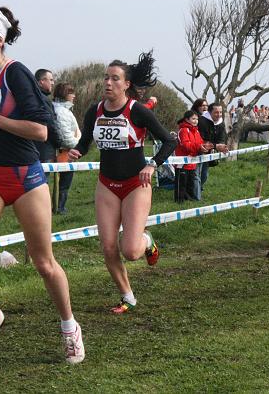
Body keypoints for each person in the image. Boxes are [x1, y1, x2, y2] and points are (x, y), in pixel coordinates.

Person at [0, 6, 84, 363]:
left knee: (44, 264)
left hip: (25, 179)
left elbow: (40, 131)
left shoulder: (18, 76)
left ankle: (69, 326)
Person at [69, 54, 176, 314]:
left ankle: (147, 240)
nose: (108, 82)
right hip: (107, 184)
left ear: (126, 84)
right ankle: (127, 296)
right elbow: (85, 143)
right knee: (107, 246)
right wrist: (77, 151)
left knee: (130, 250)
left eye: (115, 78)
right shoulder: (94, 111)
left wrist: (152, 165)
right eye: (106, 77)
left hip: (134, 185)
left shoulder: (137, 111)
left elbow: (170, 140)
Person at [52, 82, 80, 214]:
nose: (74, 96)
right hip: (64, 152)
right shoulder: (62, 112)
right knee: (64, 182)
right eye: (71, 93)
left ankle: (58, 207)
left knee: (61, 182)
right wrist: (79, 145)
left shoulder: (60, 110)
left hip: (64, 151)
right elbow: (65, 138)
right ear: (65, 94)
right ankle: (59, 208)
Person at [174, 110, 208, 202]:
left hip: (193, 161)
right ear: (187, 119)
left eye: (197, 119)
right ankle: (179, 200)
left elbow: (200, 142)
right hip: (182, 162)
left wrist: (204, 147)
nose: (196, 121)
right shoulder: (183, 130)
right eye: (193, 119)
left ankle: (189, 199)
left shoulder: (196, 131)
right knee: (181, 183)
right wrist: (199, 147)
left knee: (190, 183)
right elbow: (185, 145)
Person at [198, 102, 229, 192]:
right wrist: (216, 146)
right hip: (198, 150)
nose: (219, 114)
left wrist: (222, 146)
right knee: (197, 173)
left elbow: (222, 137)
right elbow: (202, 140)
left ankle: (199, 188)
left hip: (210, 150)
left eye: (220, 112)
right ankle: (195, 191)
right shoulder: (202, 121)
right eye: (216, 112)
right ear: (210, 112)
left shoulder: (221, 122)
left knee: (204, 174)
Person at [33, 69, 61, 163]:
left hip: (32, 149)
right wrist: (58, 142)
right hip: (45, 150)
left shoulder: (30, 98)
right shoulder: (44, 100)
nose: (53, 83)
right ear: (42, 82)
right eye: (51, 80)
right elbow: (50, 125)